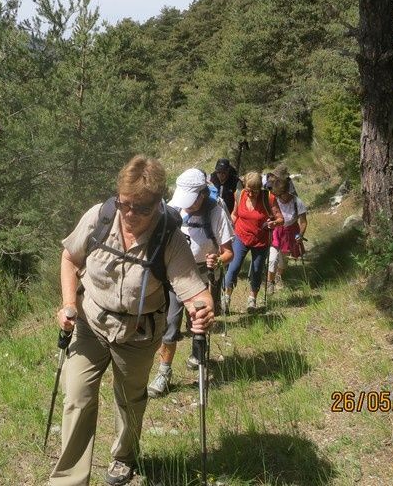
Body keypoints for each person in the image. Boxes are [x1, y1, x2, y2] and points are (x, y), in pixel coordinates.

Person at [50, 155, 215, 486]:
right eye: (125, 205)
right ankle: (68, 480)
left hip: (138, 333)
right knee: (77, 396)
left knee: (130, 399)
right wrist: (68, 304)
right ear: (118, 197)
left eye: (142, 209)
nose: (131, 215)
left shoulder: (168, 235)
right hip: (90, 322)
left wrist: (202, 309)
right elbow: (70, 256)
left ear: (157, 204)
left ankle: (123, 457)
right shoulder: (100, 216)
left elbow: (193, 290)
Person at [146, 168, 234, 398]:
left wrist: (217, 259)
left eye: (192, 200)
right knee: (170, 325)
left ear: (202, 194)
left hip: (204, 276)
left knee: (199, 324)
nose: (188, 205)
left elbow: (229, 253)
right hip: (177, 275)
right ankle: (164, 372)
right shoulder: (174, 210)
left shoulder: (216, 212)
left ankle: (198, 354)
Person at [222, 171, 283, 312]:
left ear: (260, 189)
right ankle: (226, 298)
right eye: (248, 190)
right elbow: (235, 214)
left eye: (254, 191)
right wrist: (227, 227)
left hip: (261, 240)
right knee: (233, 267)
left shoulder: (269, 198)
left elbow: (281, 219)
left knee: (256, 270)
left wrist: (273, 224)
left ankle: (252, 300)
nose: (250, 194)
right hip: (241, 236)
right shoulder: (240, 194)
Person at [268, 178, 308, 293]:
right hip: (276, 231)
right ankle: (270, 283)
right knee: (272, 259)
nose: (280, 198)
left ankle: (278, 276)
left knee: (283, 261)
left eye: (282, 195)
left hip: (291, 233)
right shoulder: (274, 201)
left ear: (287, 191)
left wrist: (300, 234)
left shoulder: (297, 202)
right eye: (278, 195)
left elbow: (303, 222)